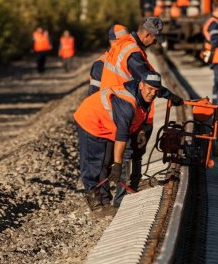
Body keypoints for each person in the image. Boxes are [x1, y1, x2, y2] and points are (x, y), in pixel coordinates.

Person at [101, 17, 184, 190]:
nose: (155, 43)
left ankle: (129, 184)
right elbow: (148, 81)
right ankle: (121, 194)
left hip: (115, 101)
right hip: (120, 104)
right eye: (154, 39)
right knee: (124, 150)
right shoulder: (133, 53)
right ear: (147, 35)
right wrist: (169, 95)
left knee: (121, 150)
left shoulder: (129, 45)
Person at [74, 73, 170, 212]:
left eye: (156, 90)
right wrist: (118, 164)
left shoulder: (143, 96)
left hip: (108, 125)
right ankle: (96, 204)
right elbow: (121, 136)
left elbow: (135, 119)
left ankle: (106, 200)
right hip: (91, 120)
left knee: (106, 161)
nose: (152, 93)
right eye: (150, 89)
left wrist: (139, 131)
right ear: (141, 85)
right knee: (93, 162)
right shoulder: (127, 103)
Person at [88, 24, 129, 96]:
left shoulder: (131, 59)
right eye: (122, 41)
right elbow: (94, 95)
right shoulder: (100, 64)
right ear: (112, 42)